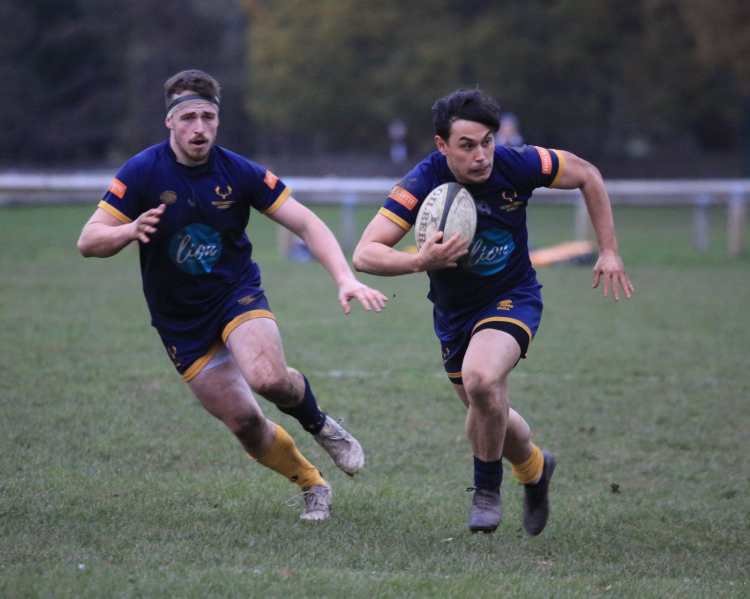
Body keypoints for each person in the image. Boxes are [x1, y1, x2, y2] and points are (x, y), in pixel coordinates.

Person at [77, 69, 388, 522]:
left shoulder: (238, 171)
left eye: (207, 116)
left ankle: (322, 425)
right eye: (188, 117)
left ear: (218, 121)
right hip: (179, 319)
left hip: (234, 293)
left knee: (267, 378)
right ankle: (312, 484)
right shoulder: (143, 171)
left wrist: (345, 278)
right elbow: (88, 241)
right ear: (170, 121)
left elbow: (305, 222)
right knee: (244, 423)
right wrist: (128, 229)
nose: (198, 127)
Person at [353, 89, 633, 535]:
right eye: (467, 145)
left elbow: (588, 175)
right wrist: (417, 262)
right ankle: (537, 470)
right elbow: (365, 254)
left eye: (487, 141)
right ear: (442, 145)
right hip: (454, 315)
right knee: (493, 412)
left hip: (513, 297)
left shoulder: (517, 164)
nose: (481, 155)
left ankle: (486, 491)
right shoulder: (422, 183)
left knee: (481, 381)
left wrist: (610, 250)